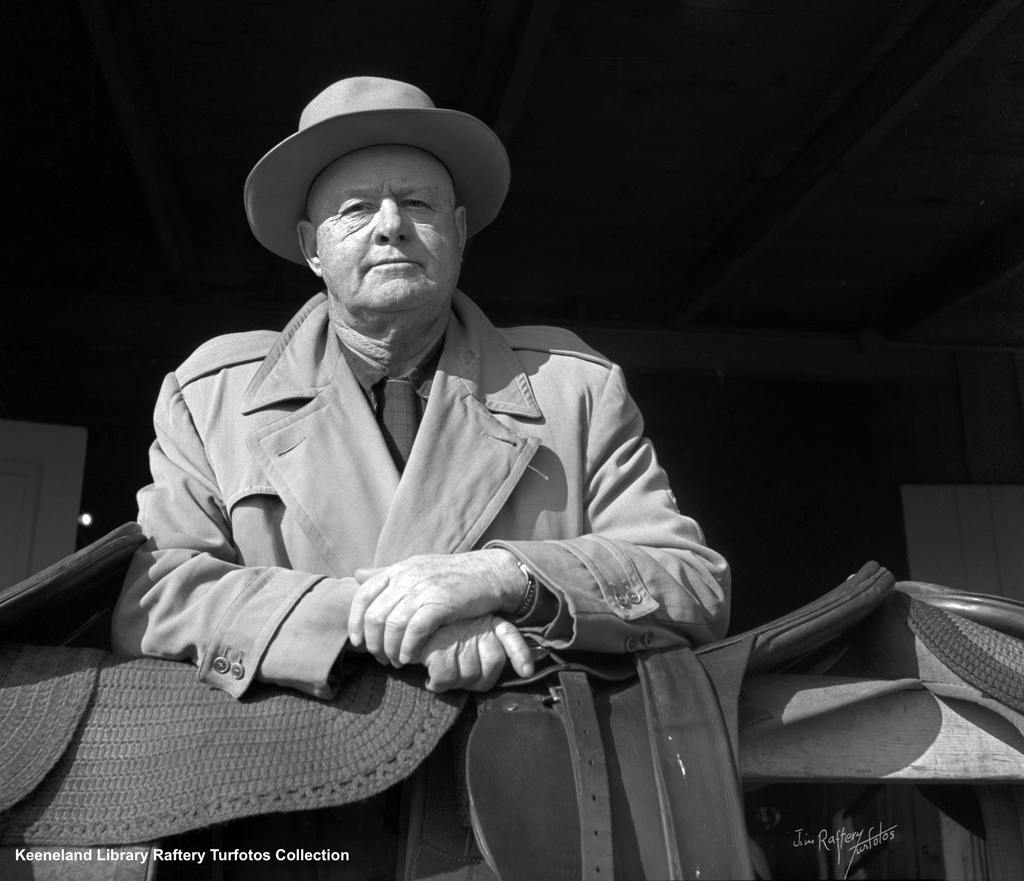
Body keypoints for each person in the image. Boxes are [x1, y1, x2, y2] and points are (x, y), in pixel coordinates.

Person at [111, 75, 729, 701]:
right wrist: (388, 619)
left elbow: (692, 586)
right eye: (355, 210)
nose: (391, 227)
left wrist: (506, 577)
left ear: (458, 232)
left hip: (516, 766)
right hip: (294, 766)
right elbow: (159, 596)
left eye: (418, 204)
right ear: (311, 248)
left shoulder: (575, 389)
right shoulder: (212, 396)